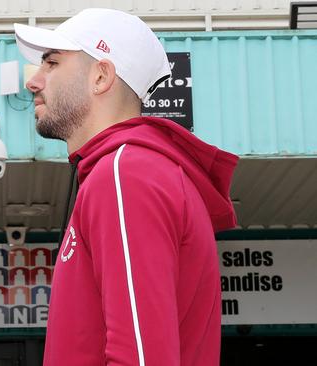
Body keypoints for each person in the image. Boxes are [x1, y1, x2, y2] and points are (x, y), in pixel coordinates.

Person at [14, 8, 238, 366]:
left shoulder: (123, 174)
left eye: (52, 63)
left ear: (101, 77)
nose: (33, 81)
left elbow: (142, 358)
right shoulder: (132, 170)